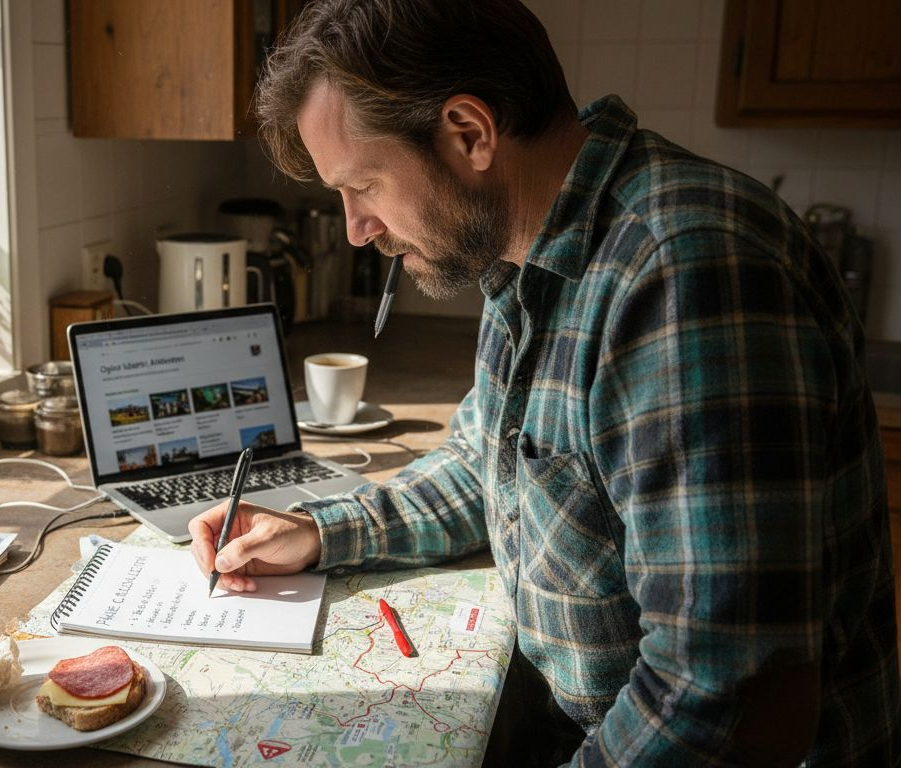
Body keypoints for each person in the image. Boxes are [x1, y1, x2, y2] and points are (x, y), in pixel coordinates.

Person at [187, 1, 900, 765]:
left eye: (363, 185)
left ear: (469, 133)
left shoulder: (684, 273)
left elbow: (729, 700)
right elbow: (494, 470)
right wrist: (323, 531)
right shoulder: (523, 255)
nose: (358, 227)